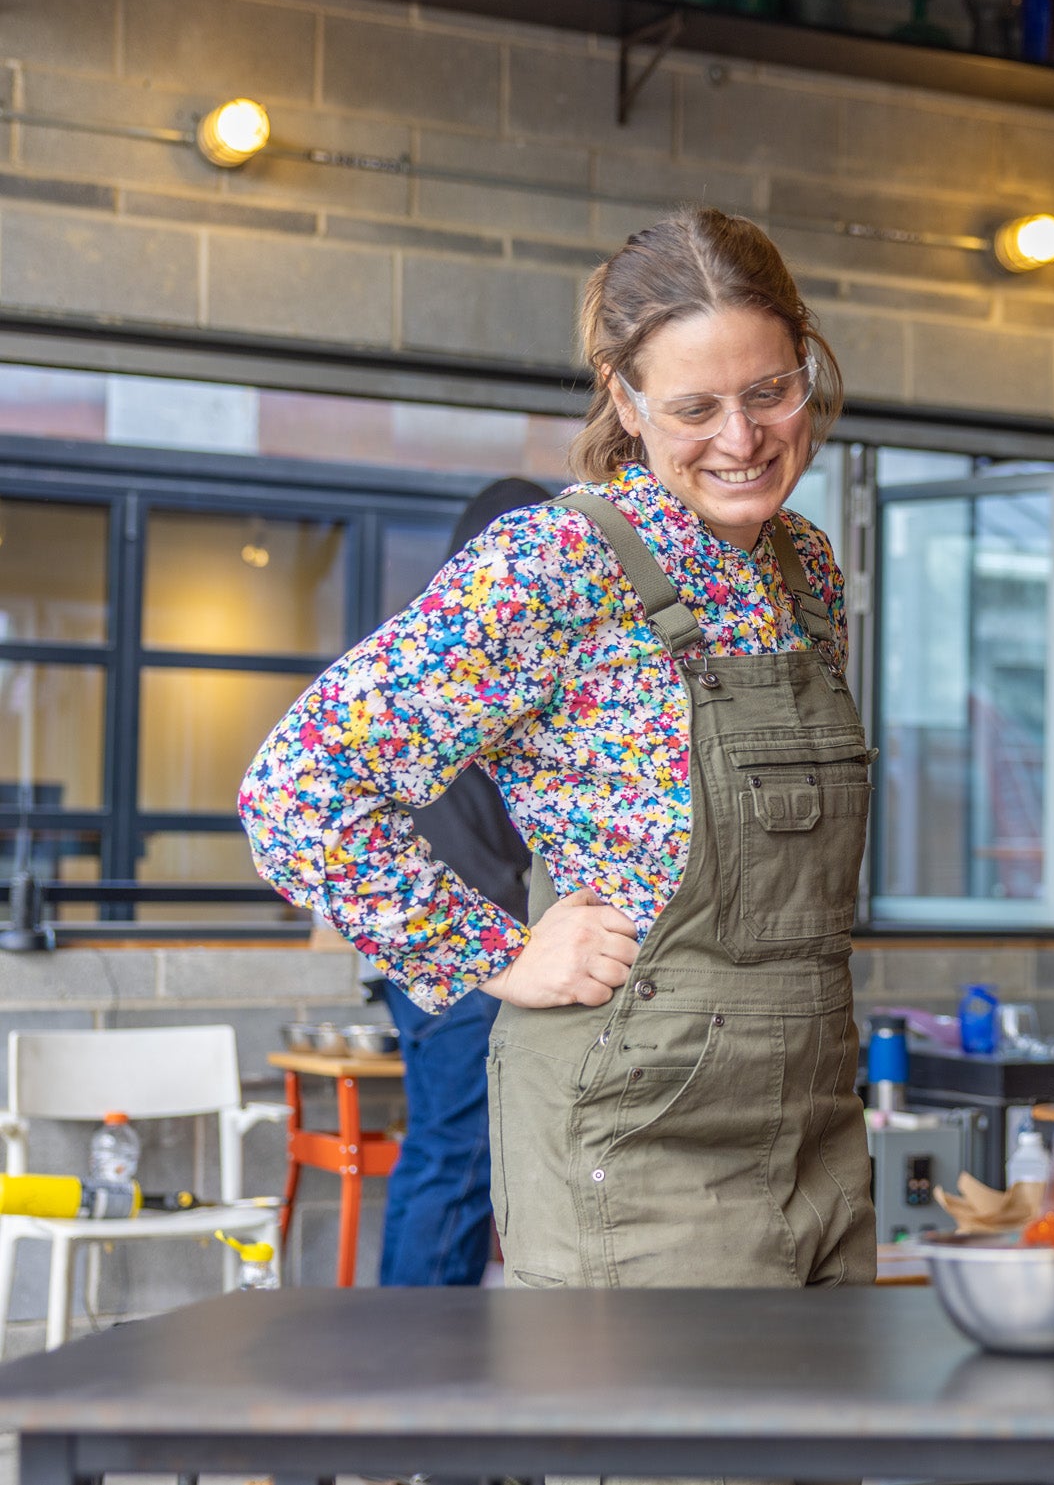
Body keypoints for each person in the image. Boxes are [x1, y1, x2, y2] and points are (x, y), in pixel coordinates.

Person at [242, 207, 875, 1291]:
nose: (742, 438)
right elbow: (298, 787)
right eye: (694, 407)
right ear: (625, 401)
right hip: (640, 1138)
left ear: (807, 363)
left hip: (816, 1124)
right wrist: (497, 956)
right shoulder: (557, 561)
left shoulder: (805, 566)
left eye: (770, 390)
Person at [372, 476, 549, 1288]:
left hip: (425, 954)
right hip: (473, 953)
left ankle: (397, 1359)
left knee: (440, 1151)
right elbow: (476, 837)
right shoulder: (467, 661)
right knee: (459, 1157)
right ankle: (417, 1371)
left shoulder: (419, 651)